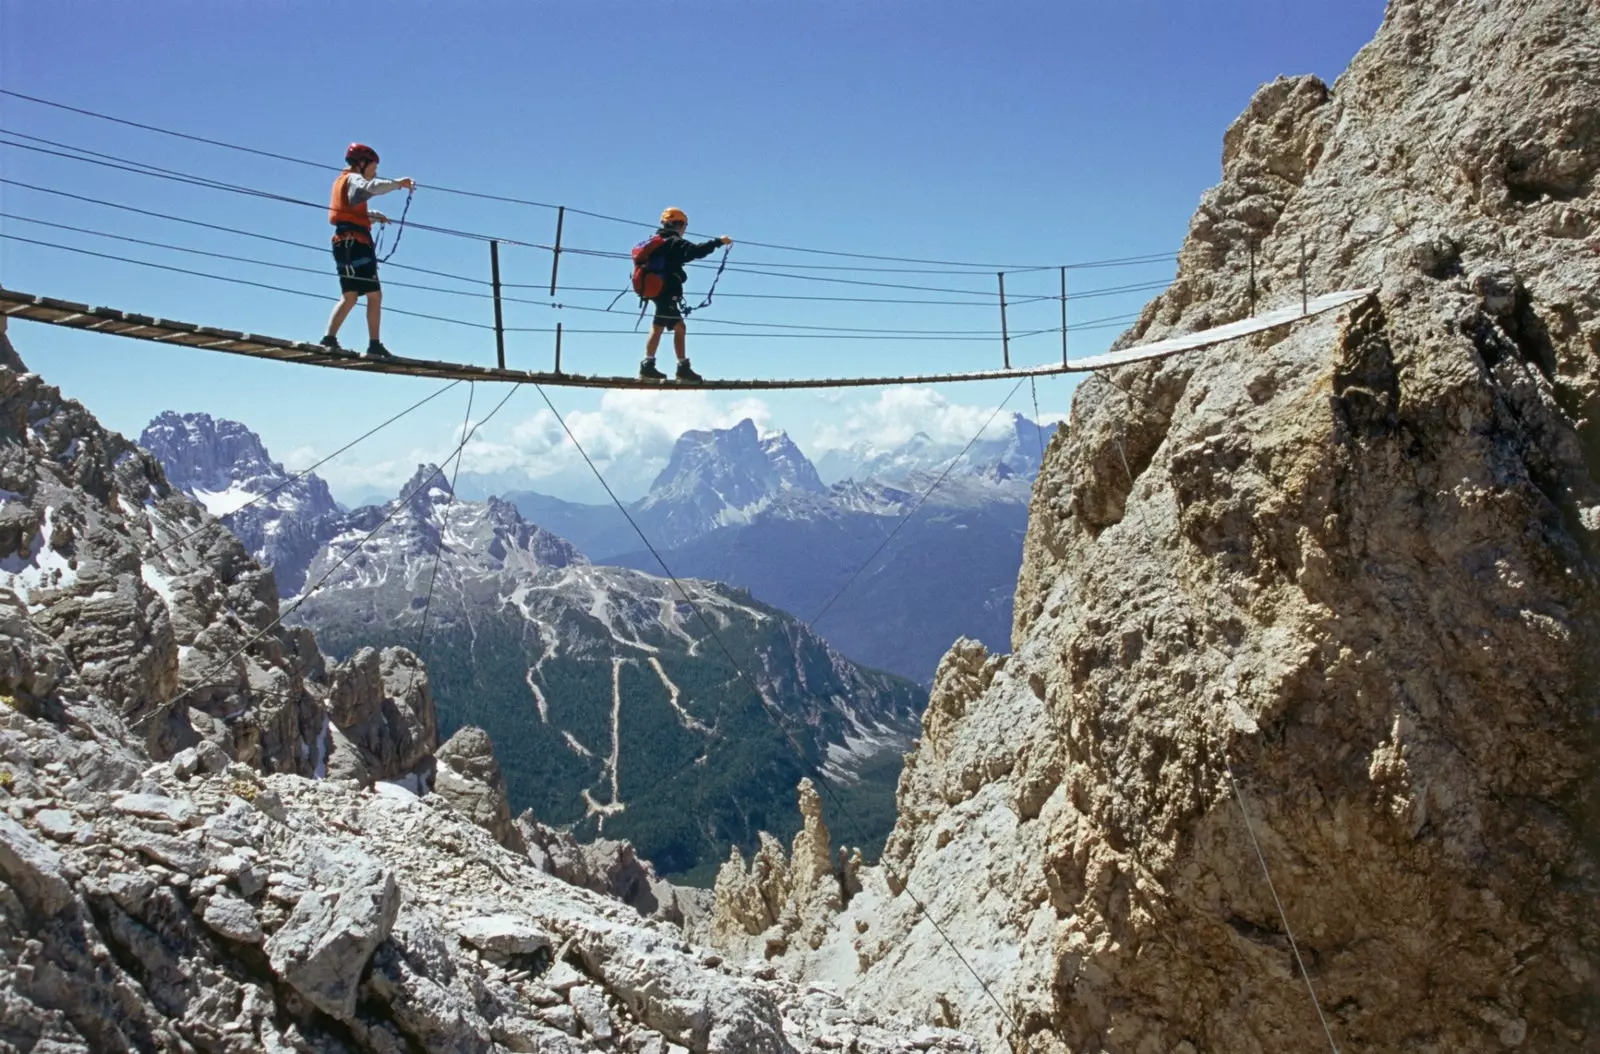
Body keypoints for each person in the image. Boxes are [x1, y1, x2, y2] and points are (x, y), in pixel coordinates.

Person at [320, 143, 415, 359]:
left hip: (342, 243)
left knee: (350, 296)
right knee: (374, 295)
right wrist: (397, 184)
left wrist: (370, 215)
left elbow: (348, 213)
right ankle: (374, 344)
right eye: (373, 166)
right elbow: (371, 187)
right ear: (362, 163)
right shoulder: (354, 178)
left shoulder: (342, 181)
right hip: (356, 244)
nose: (375, 172)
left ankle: (329, 338)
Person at [639, 207, 732, 382]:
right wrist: (718, 242)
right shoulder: (673, 241)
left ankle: (680, 367)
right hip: (666, 291)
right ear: (680, 224)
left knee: (679, 327)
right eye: (684, 225)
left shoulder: (658, 242)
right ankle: (649, 366)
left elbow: (683, 257)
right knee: (659, 325)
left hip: (657, 290)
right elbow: (696, 251)